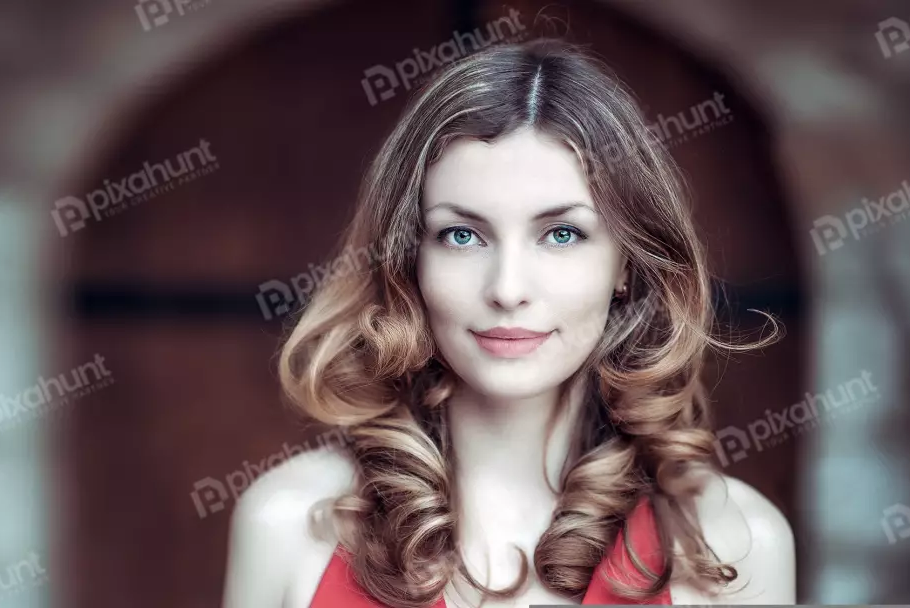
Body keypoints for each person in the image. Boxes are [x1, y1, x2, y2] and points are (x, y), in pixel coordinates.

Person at [222, 38, 795, 607]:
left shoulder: (736, 544)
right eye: (462, 235)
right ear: (408, 259)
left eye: (562, 234)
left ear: (625, 262)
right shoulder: (289, 524)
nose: (508, 289)